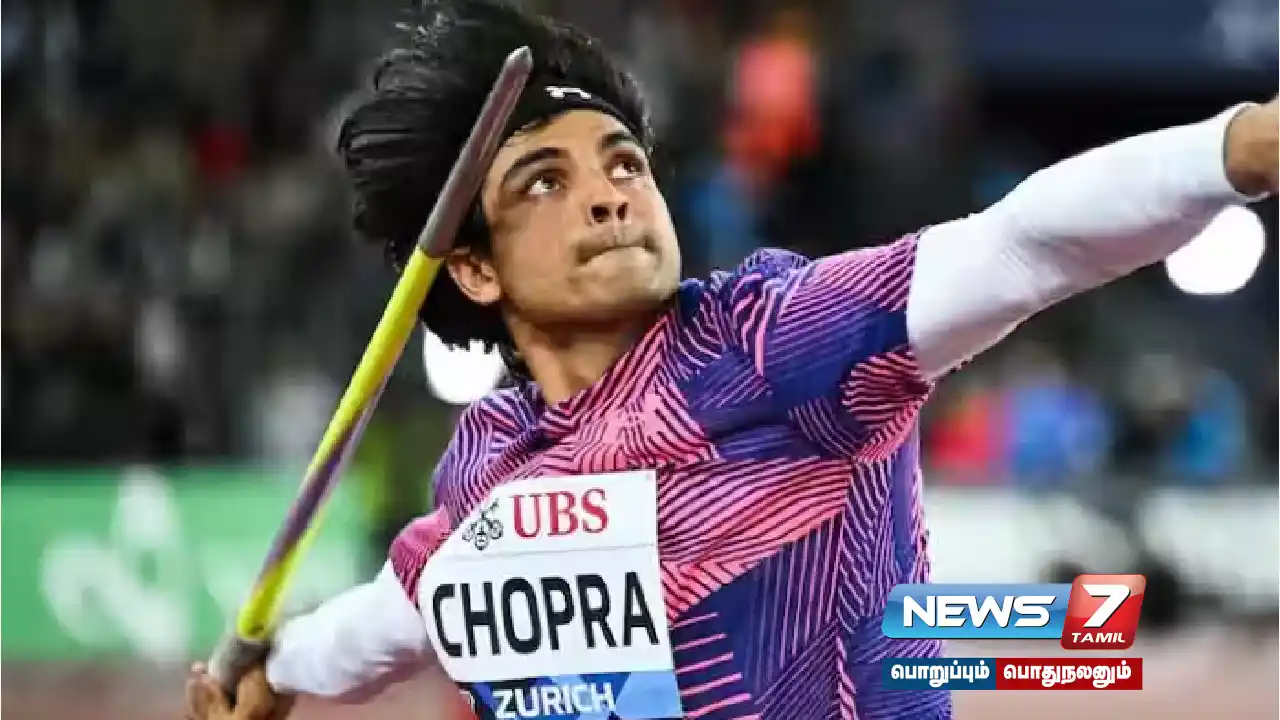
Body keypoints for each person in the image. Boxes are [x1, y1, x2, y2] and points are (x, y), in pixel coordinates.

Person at [184, 0, 1278, 718]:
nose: (610, 192)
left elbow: (1021, 245)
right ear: (471, 268)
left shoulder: (765, 342)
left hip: (896, 649)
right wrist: (278, 670)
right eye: (545, 182)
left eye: (623, 162)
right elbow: (399, 611)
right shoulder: (486, 464)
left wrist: (1234, 149)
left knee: (1048, 632)